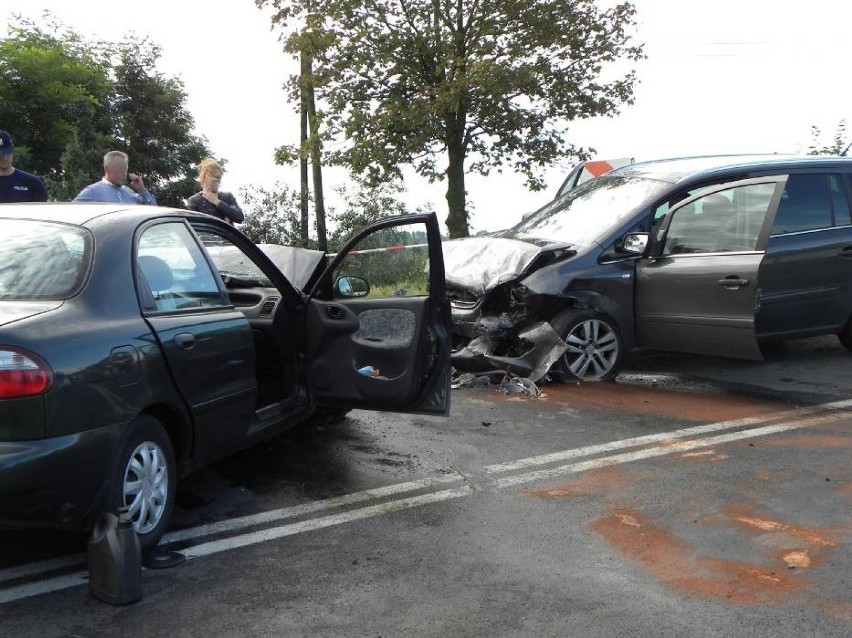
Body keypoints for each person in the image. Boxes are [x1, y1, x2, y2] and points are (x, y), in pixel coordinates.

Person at [74, 150, 156, 205]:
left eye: (125, 169)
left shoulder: (130, 193)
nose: (124, 173)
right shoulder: (92, 191)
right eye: (120, 169)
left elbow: (154, 211)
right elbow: (70, 214)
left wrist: (142, 190)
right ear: (107, 169)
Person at [185, 158, 244, 224]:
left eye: (218, 177)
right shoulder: (194, 201)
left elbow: (239, 218)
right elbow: (194, 225)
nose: (216, 179)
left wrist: (217, 202)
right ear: (203, 177)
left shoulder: (227, 197)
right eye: (212, 176)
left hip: (225, 234)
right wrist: (226, 215)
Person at [0, 130, 49, 203]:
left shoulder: (32, 182)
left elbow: (44, 212)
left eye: (8, 152)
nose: (5, 157)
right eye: (1, 154)